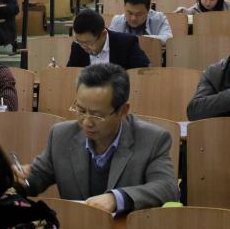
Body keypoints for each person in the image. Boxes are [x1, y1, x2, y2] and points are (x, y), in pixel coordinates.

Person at [20, 63, 179, 213]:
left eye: (97, 115)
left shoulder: (152, 139)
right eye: (81, 111)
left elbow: (167, 188)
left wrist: (117, 198)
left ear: (123, 111)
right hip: (76, 228)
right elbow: (35, 179)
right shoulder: (61, 135)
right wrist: (18, 178)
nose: (87, 122)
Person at [67, 9, 150, 70]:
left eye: (88, 43)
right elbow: (71, 75)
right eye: (80, 42)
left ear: (103, 34)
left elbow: (142, 73)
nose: (84, 47)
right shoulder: (77, 47)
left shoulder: (127, 43)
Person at [108, 0, 173, 43]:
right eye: (130, 13)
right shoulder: (117, 20)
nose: (133, 18)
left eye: (139, 14)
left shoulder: (159, 18)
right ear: (124, 7)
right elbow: (108, 41)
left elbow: (168, 38)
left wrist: (140, 39)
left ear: (148, 10)